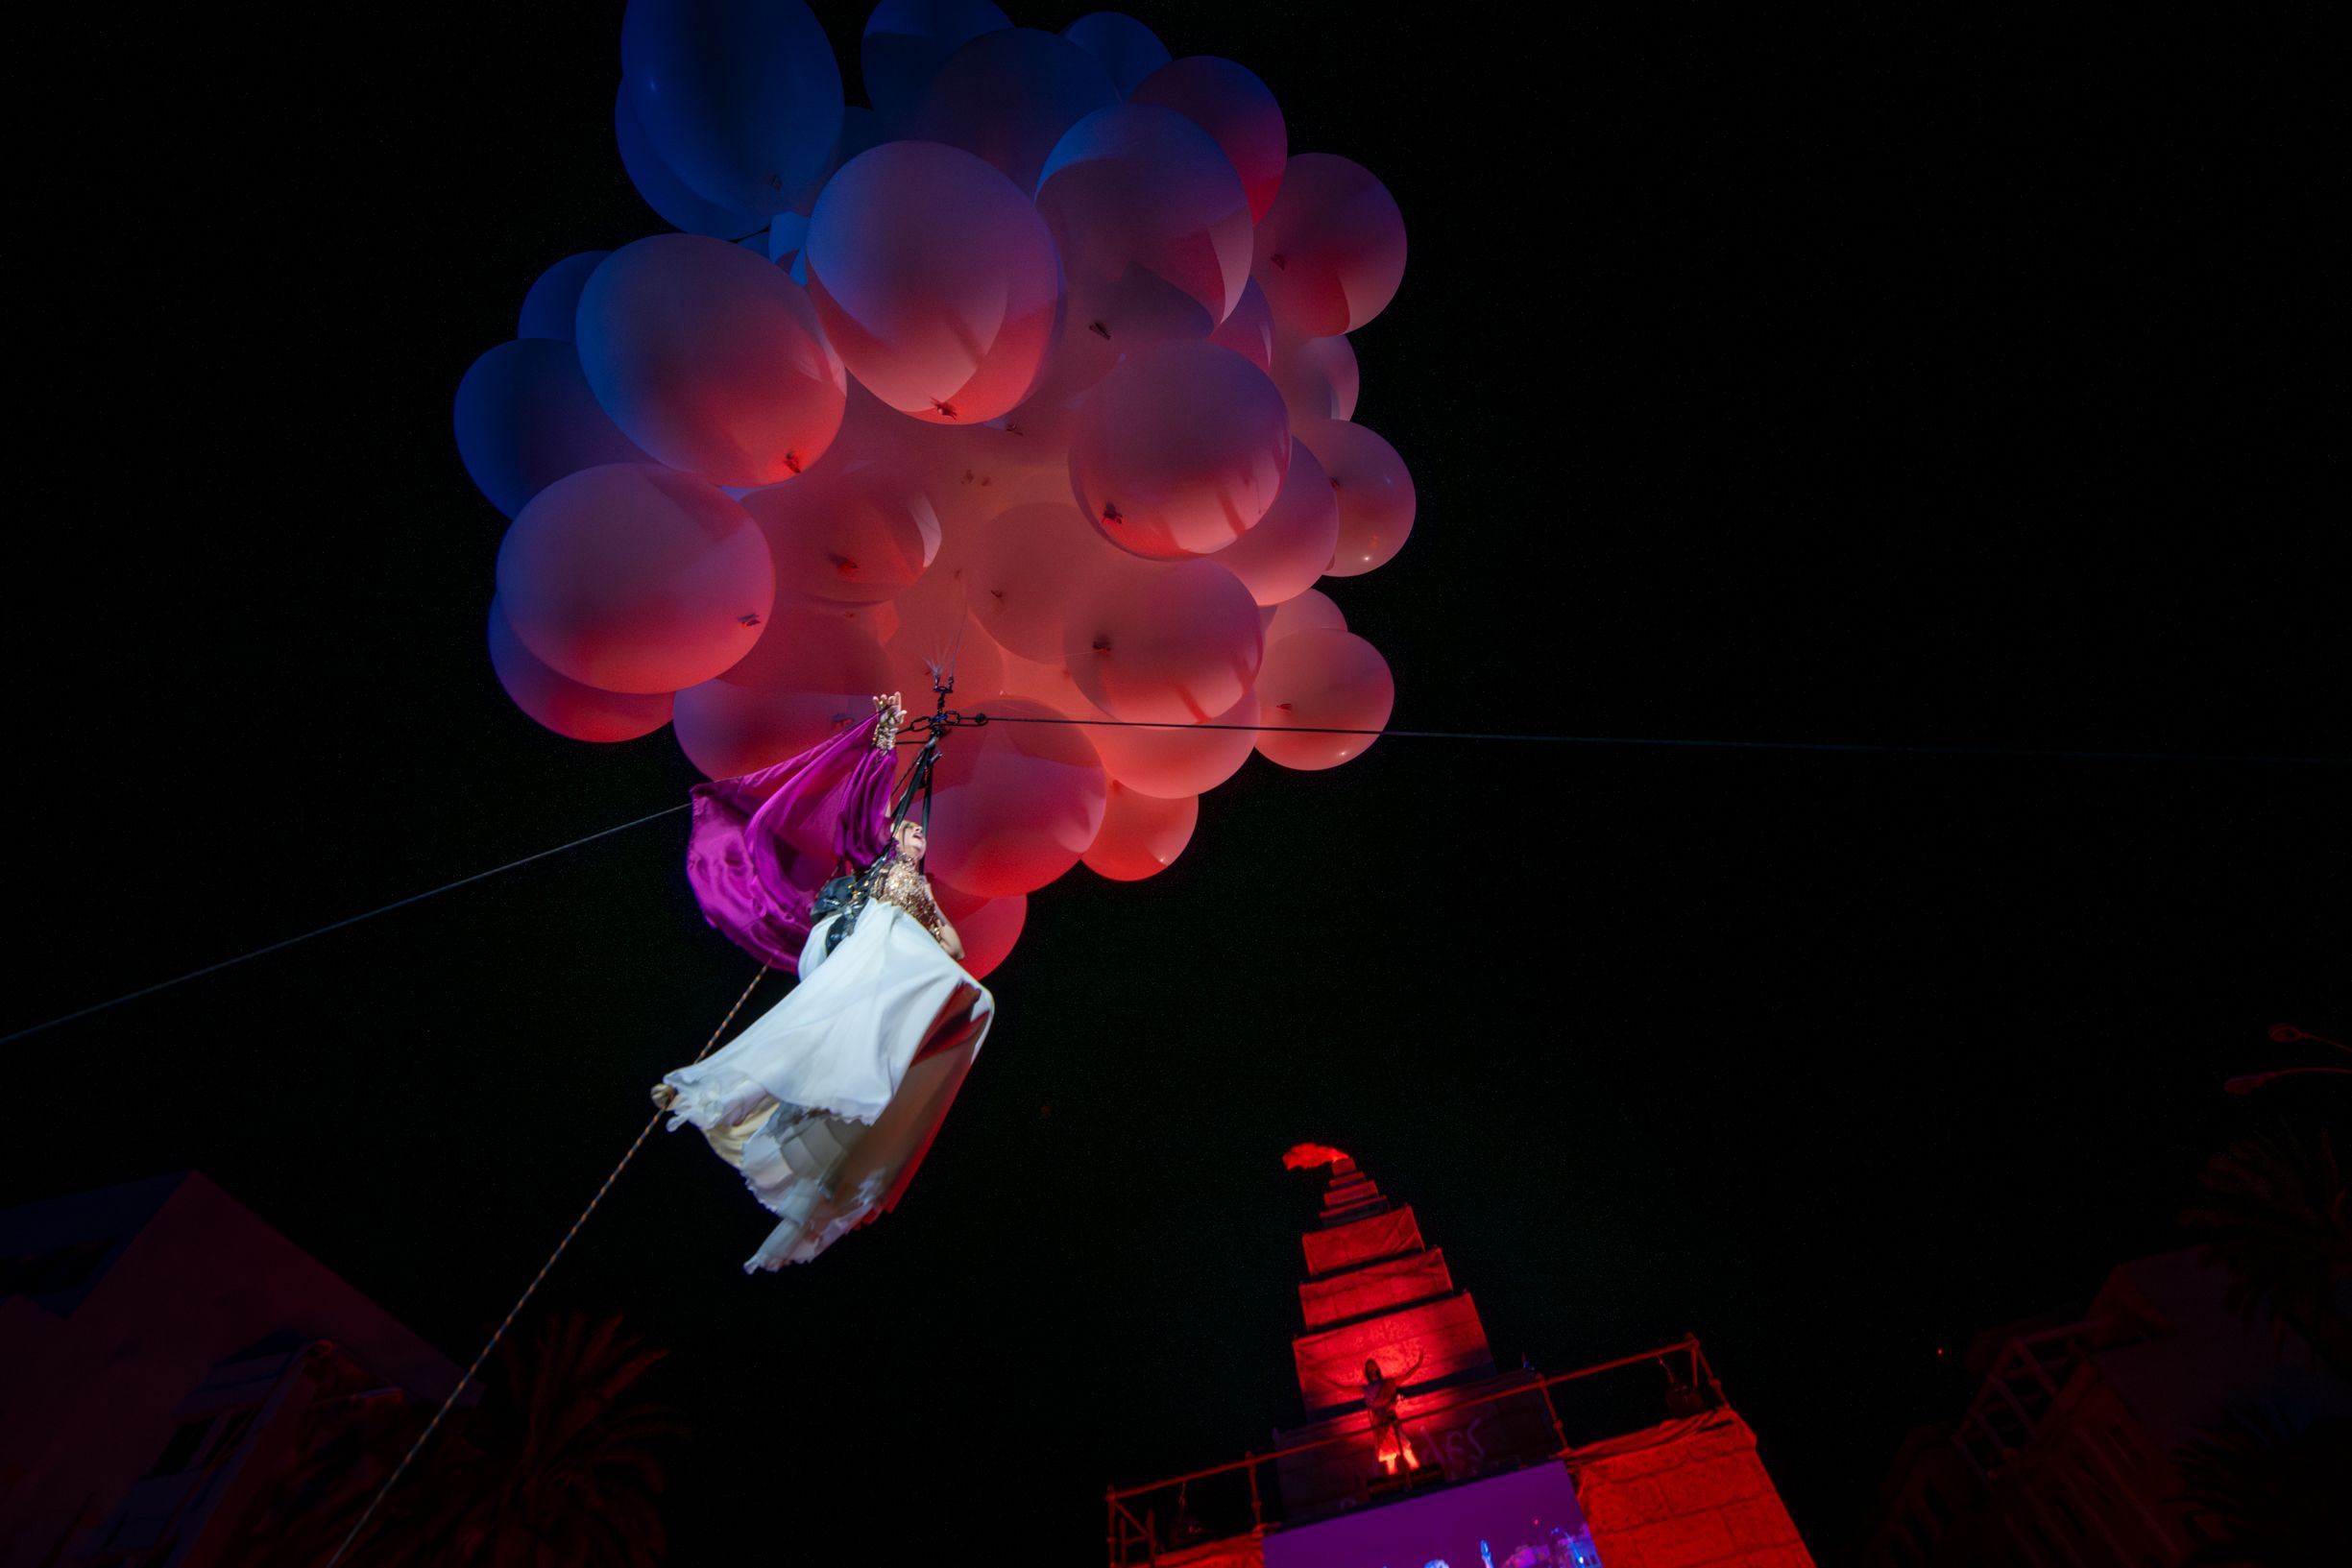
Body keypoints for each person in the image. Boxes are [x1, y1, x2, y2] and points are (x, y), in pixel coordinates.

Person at [652, 694, 995, 1271]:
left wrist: (926, 899)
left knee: (979, 1000)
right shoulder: (873, 856)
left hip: (882, 963)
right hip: (847, 938)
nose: (913, 833)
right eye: (906, 828)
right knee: (893, 928)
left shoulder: (920, 889)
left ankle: (841, 1137)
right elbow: (860, 804)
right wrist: (886, 739)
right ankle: (725, 1089)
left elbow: (956, 950)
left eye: (917, 833)